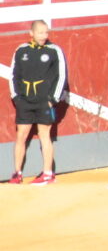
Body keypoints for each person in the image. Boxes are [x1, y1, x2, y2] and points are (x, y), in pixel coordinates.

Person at [9, 20, 66, 184]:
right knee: (21, 135)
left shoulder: (54, 50)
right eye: (40, 32)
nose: (44, 36)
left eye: (46, 33)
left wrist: (52, 100)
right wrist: (16, 98)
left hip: (44, 102)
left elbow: (61, 76)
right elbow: (14, 75)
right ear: (31, 33)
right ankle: (17, 173)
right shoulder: (21, 50)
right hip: (25, 102)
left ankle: (48, 173)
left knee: (44, 135)